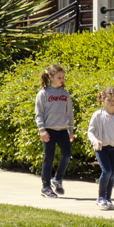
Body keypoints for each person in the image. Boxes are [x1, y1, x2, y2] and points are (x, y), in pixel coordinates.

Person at [34, 64, 75, 197]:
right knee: (49, 158)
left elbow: (69, 113)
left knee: (67, 154)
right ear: (50, 77)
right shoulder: (43, 93)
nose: (62, 80)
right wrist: (42, 130)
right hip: (49, 130)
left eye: (63, 77)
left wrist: (70, 129)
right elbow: (39, 113)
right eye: (59, 77)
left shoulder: (65, 93)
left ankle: (57, 179)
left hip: (63, 129)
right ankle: (45, 186)